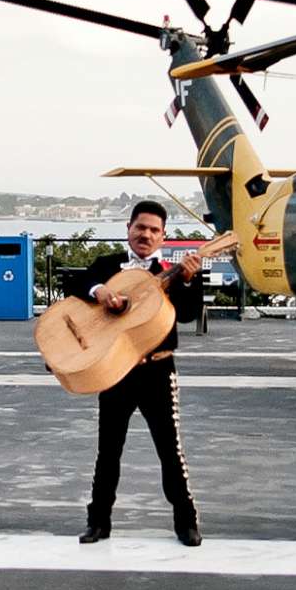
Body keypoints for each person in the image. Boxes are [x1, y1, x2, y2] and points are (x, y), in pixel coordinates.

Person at [74, 202, 208, 546]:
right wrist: (100, 291)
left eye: (153, 230)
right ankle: (98, 522)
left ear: (163, 237)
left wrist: (189, 279)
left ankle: (187, 522)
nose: (145, 234)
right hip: (116, 369)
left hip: (158, 370)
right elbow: (76, 284)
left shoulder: (173, 273)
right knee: (108, 450)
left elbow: (190, 313)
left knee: (170, 449)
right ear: (128, 228)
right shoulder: (107, 267)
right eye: (140, 227)